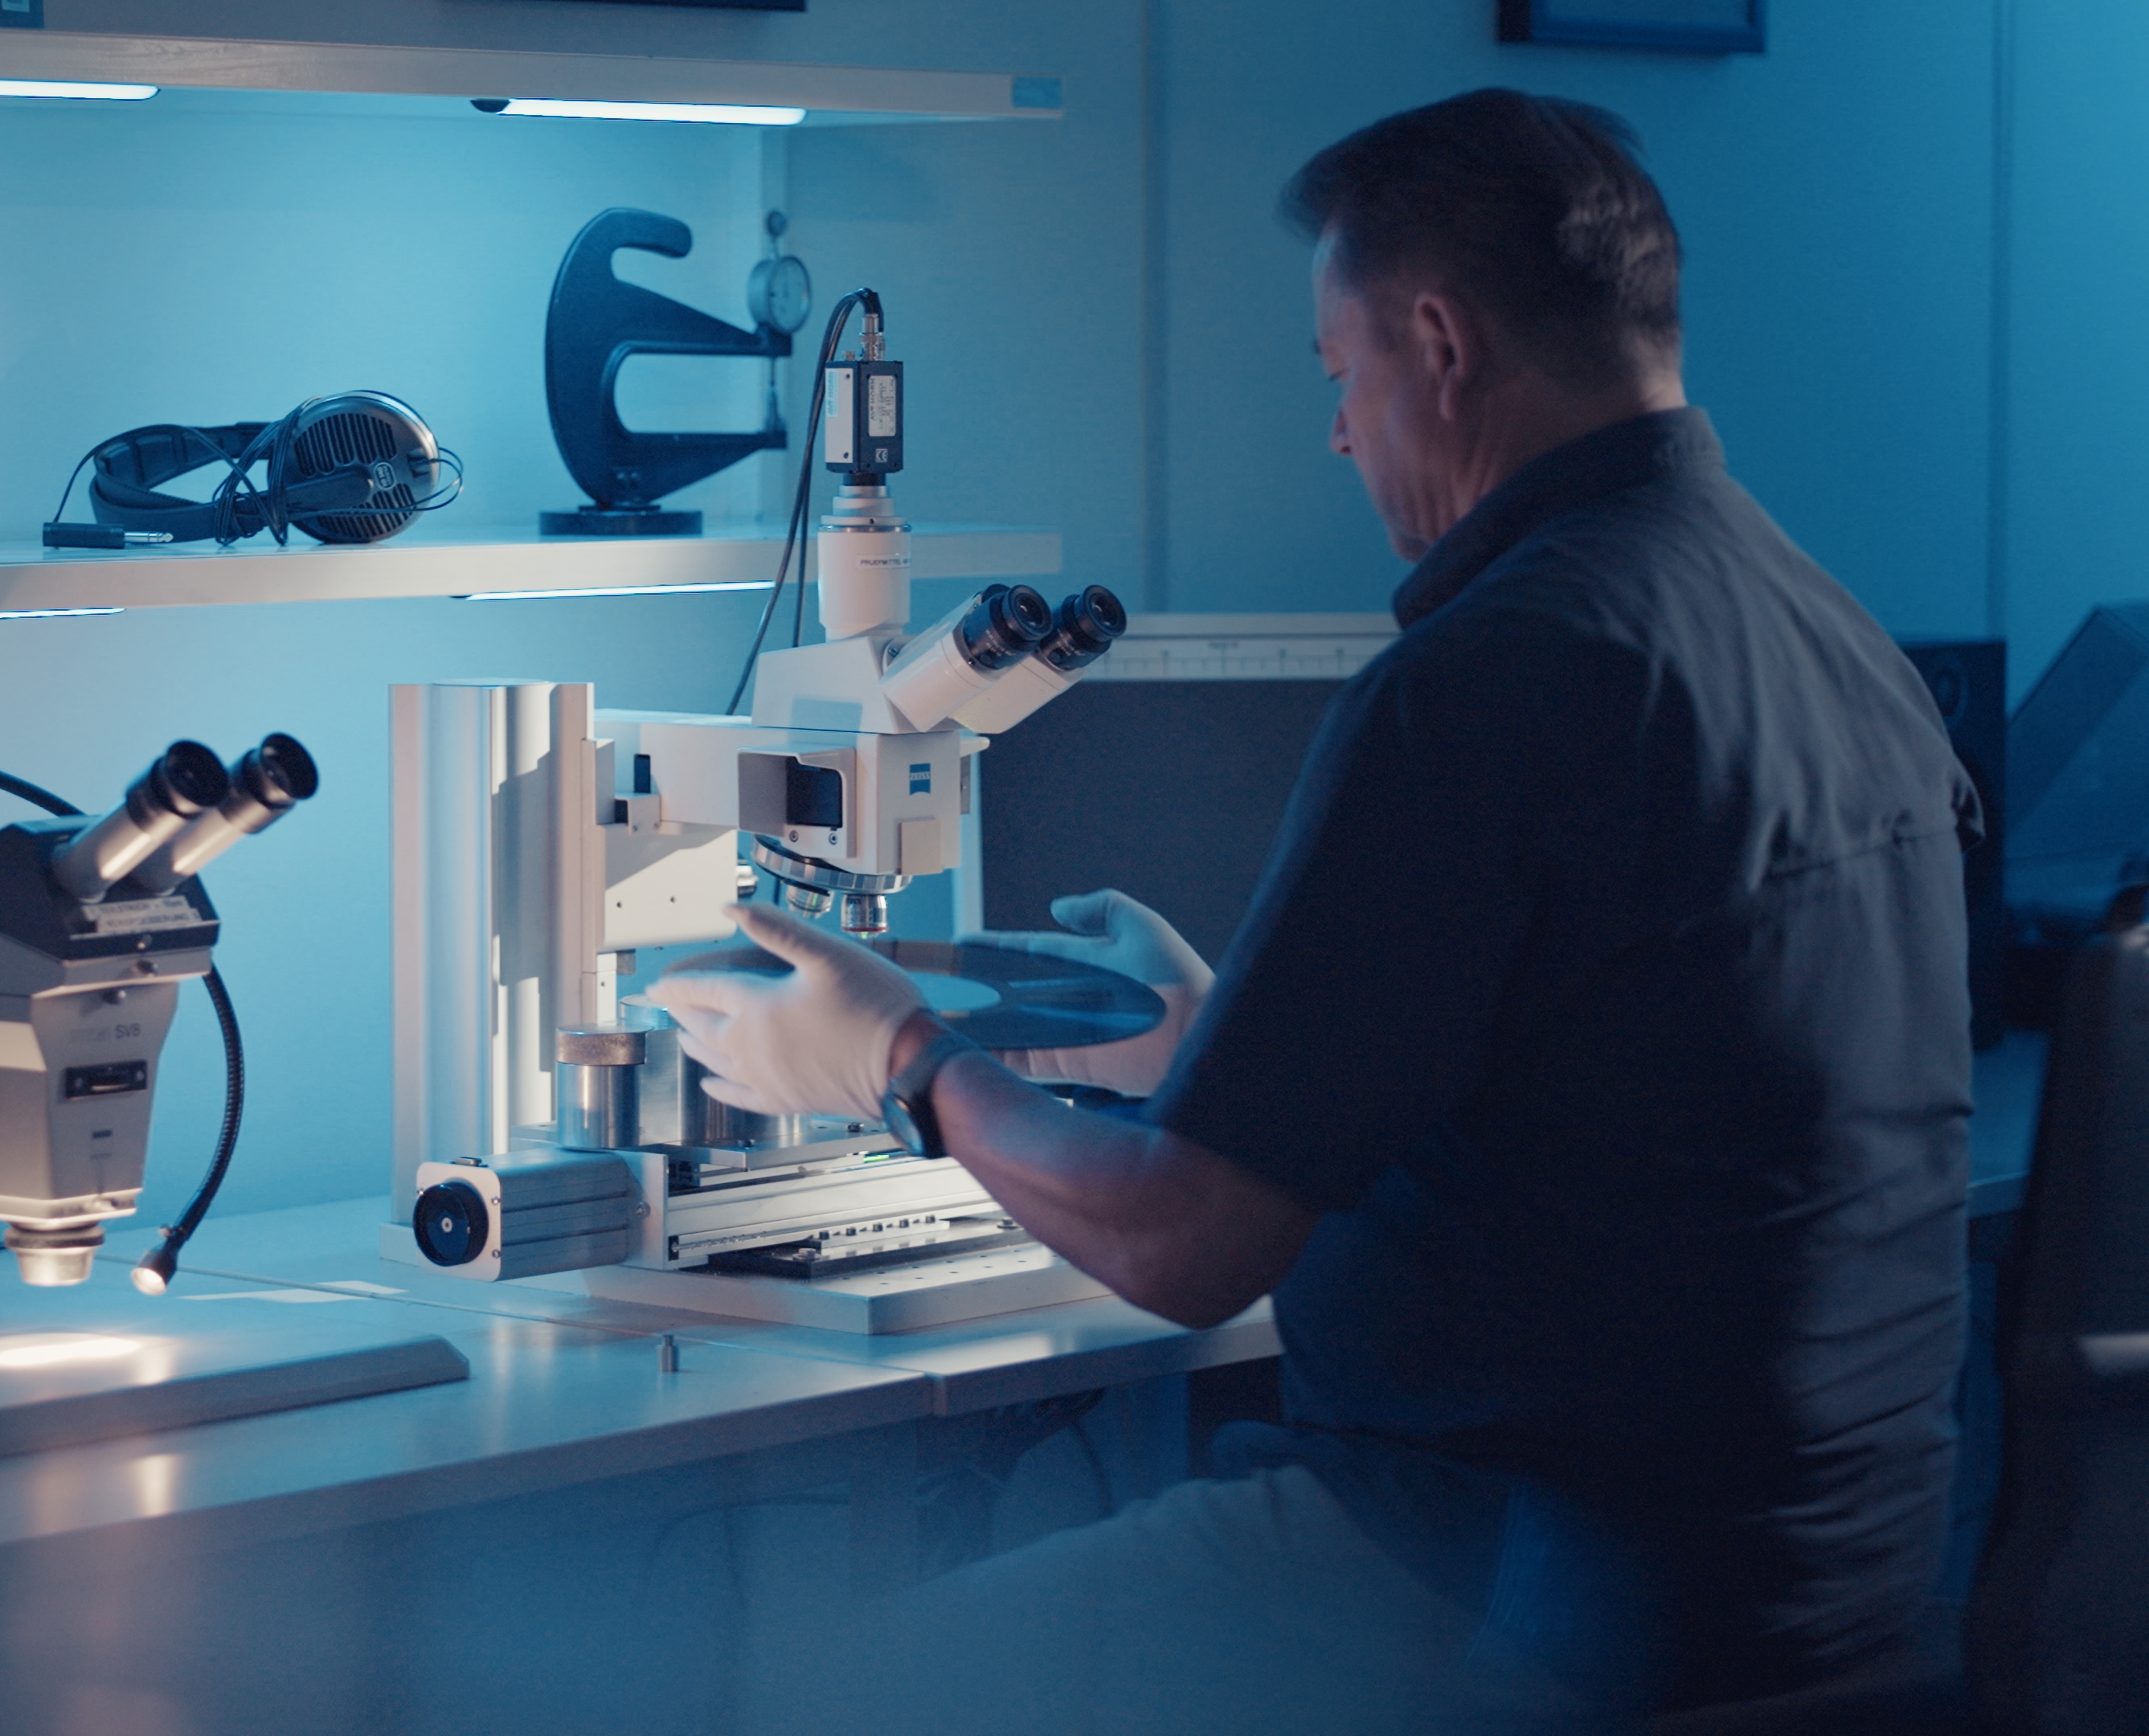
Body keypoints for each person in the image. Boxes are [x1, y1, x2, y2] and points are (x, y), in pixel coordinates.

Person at [653, 88, 1977, 1732]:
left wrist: (901, 1060)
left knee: (824, 1696)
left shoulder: (1489, 679)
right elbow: (1648, 1101)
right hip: (1830, 1572)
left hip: (1512, 1575)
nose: (1341, 433)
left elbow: (1186, 1252)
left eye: (1339, 375)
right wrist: (1220, 1042)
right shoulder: (1830, 633)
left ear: (1437, 342)